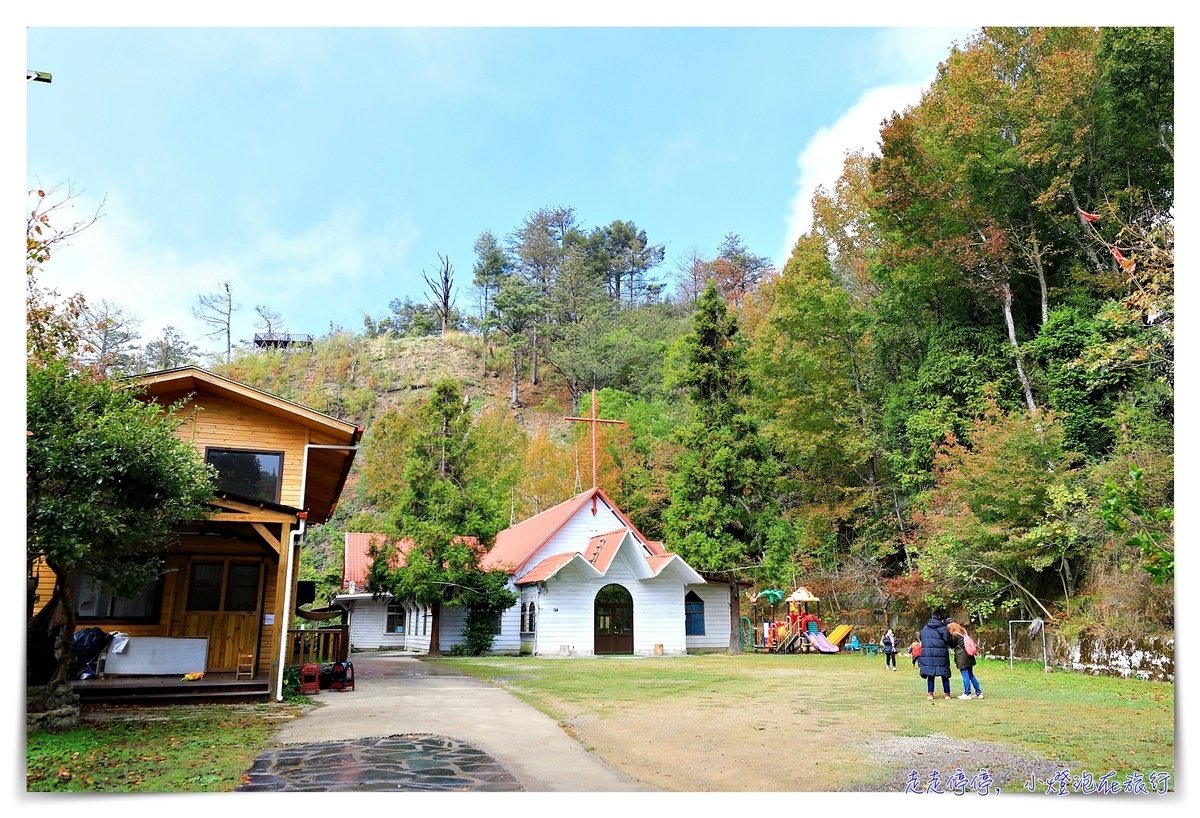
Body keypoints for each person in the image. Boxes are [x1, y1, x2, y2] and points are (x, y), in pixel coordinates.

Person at [918, 609, 954, 702]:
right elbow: (948, 640)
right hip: (941, 654)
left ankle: (930, 694)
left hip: (928, 654)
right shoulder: (943, 628)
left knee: (931, 674)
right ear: (941, 619)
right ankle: (947, 694)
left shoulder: (924, 628)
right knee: (944, 674)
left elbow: (922, 638)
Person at [948, 620, 983, 699]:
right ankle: (979, 692)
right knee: (971, 675)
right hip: (969, 656)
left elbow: (951, 645)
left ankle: (967, 693)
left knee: (965, 675)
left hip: (962, 658)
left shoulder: (955, 636)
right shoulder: (963, 633)